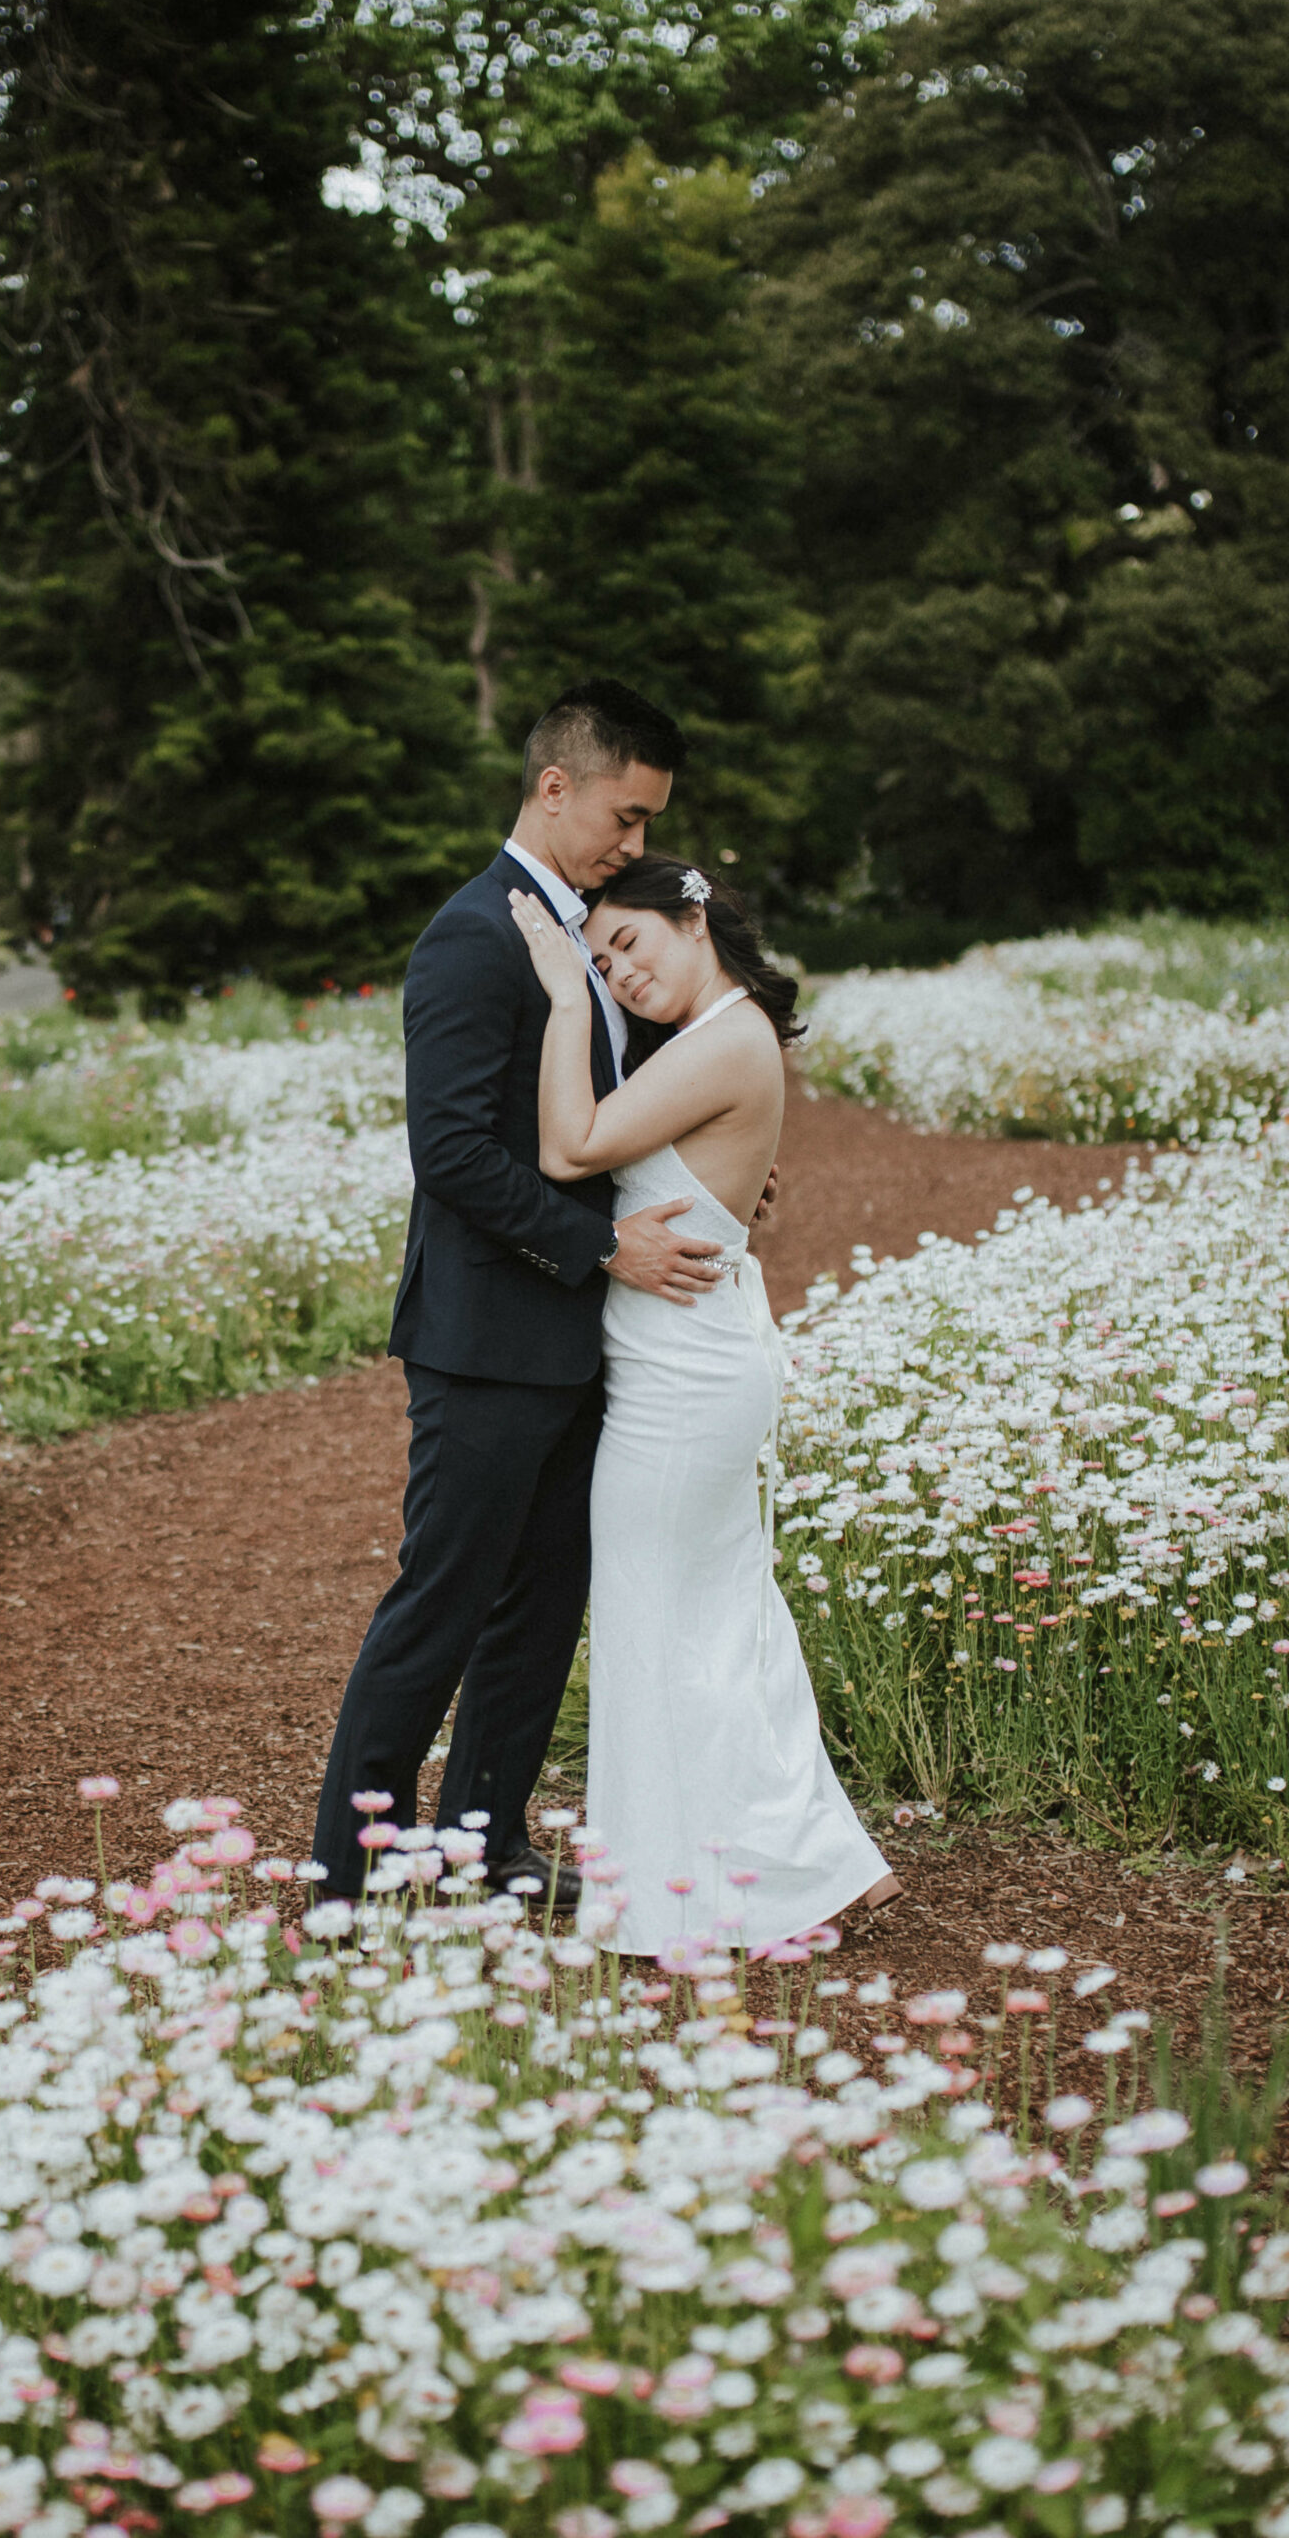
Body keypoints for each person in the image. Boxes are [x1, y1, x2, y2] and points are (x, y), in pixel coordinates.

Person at [311, 680, 750, 1902]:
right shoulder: (470, 936)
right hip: (487, 1339)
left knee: (538, 1614)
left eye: (651, 825)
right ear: (554, 787)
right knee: (440, 1606)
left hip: (580, 1343)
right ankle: (350, 1877)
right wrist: (608, 1250)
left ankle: (485, 1849)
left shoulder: (593, 937)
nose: (636, 847)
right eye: (625, 815)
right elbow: (450, 1156)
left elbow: (604, 1124)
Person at [508, 852, 900, 1952]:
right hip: (694, 1356)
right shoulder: (724, 1037)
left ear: (692, 920)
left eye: (626, 946)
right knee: (723, 1612)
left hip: (682, 1378)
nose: (617, 976)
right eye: (597, 965)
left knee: (657, 1621)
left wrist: (554, 996)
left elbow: (569, 1144)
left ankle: (687, 1890)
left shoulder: (725, 1036)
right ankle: (823, 1858)